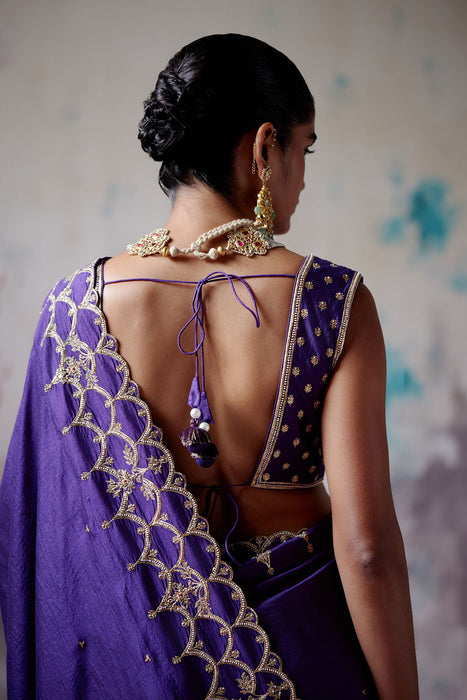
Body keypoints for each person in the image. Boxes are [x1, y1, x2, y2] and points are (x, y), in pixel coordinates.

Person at [0, 34, 419, 700]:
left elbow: (47, 552)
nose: (302, 179)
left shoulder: (77, 309)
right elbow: (366, 549)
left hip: (143, 665)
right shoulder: (332, 301)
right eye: (302, 151)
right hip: (305, 652)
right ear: (263, 148)